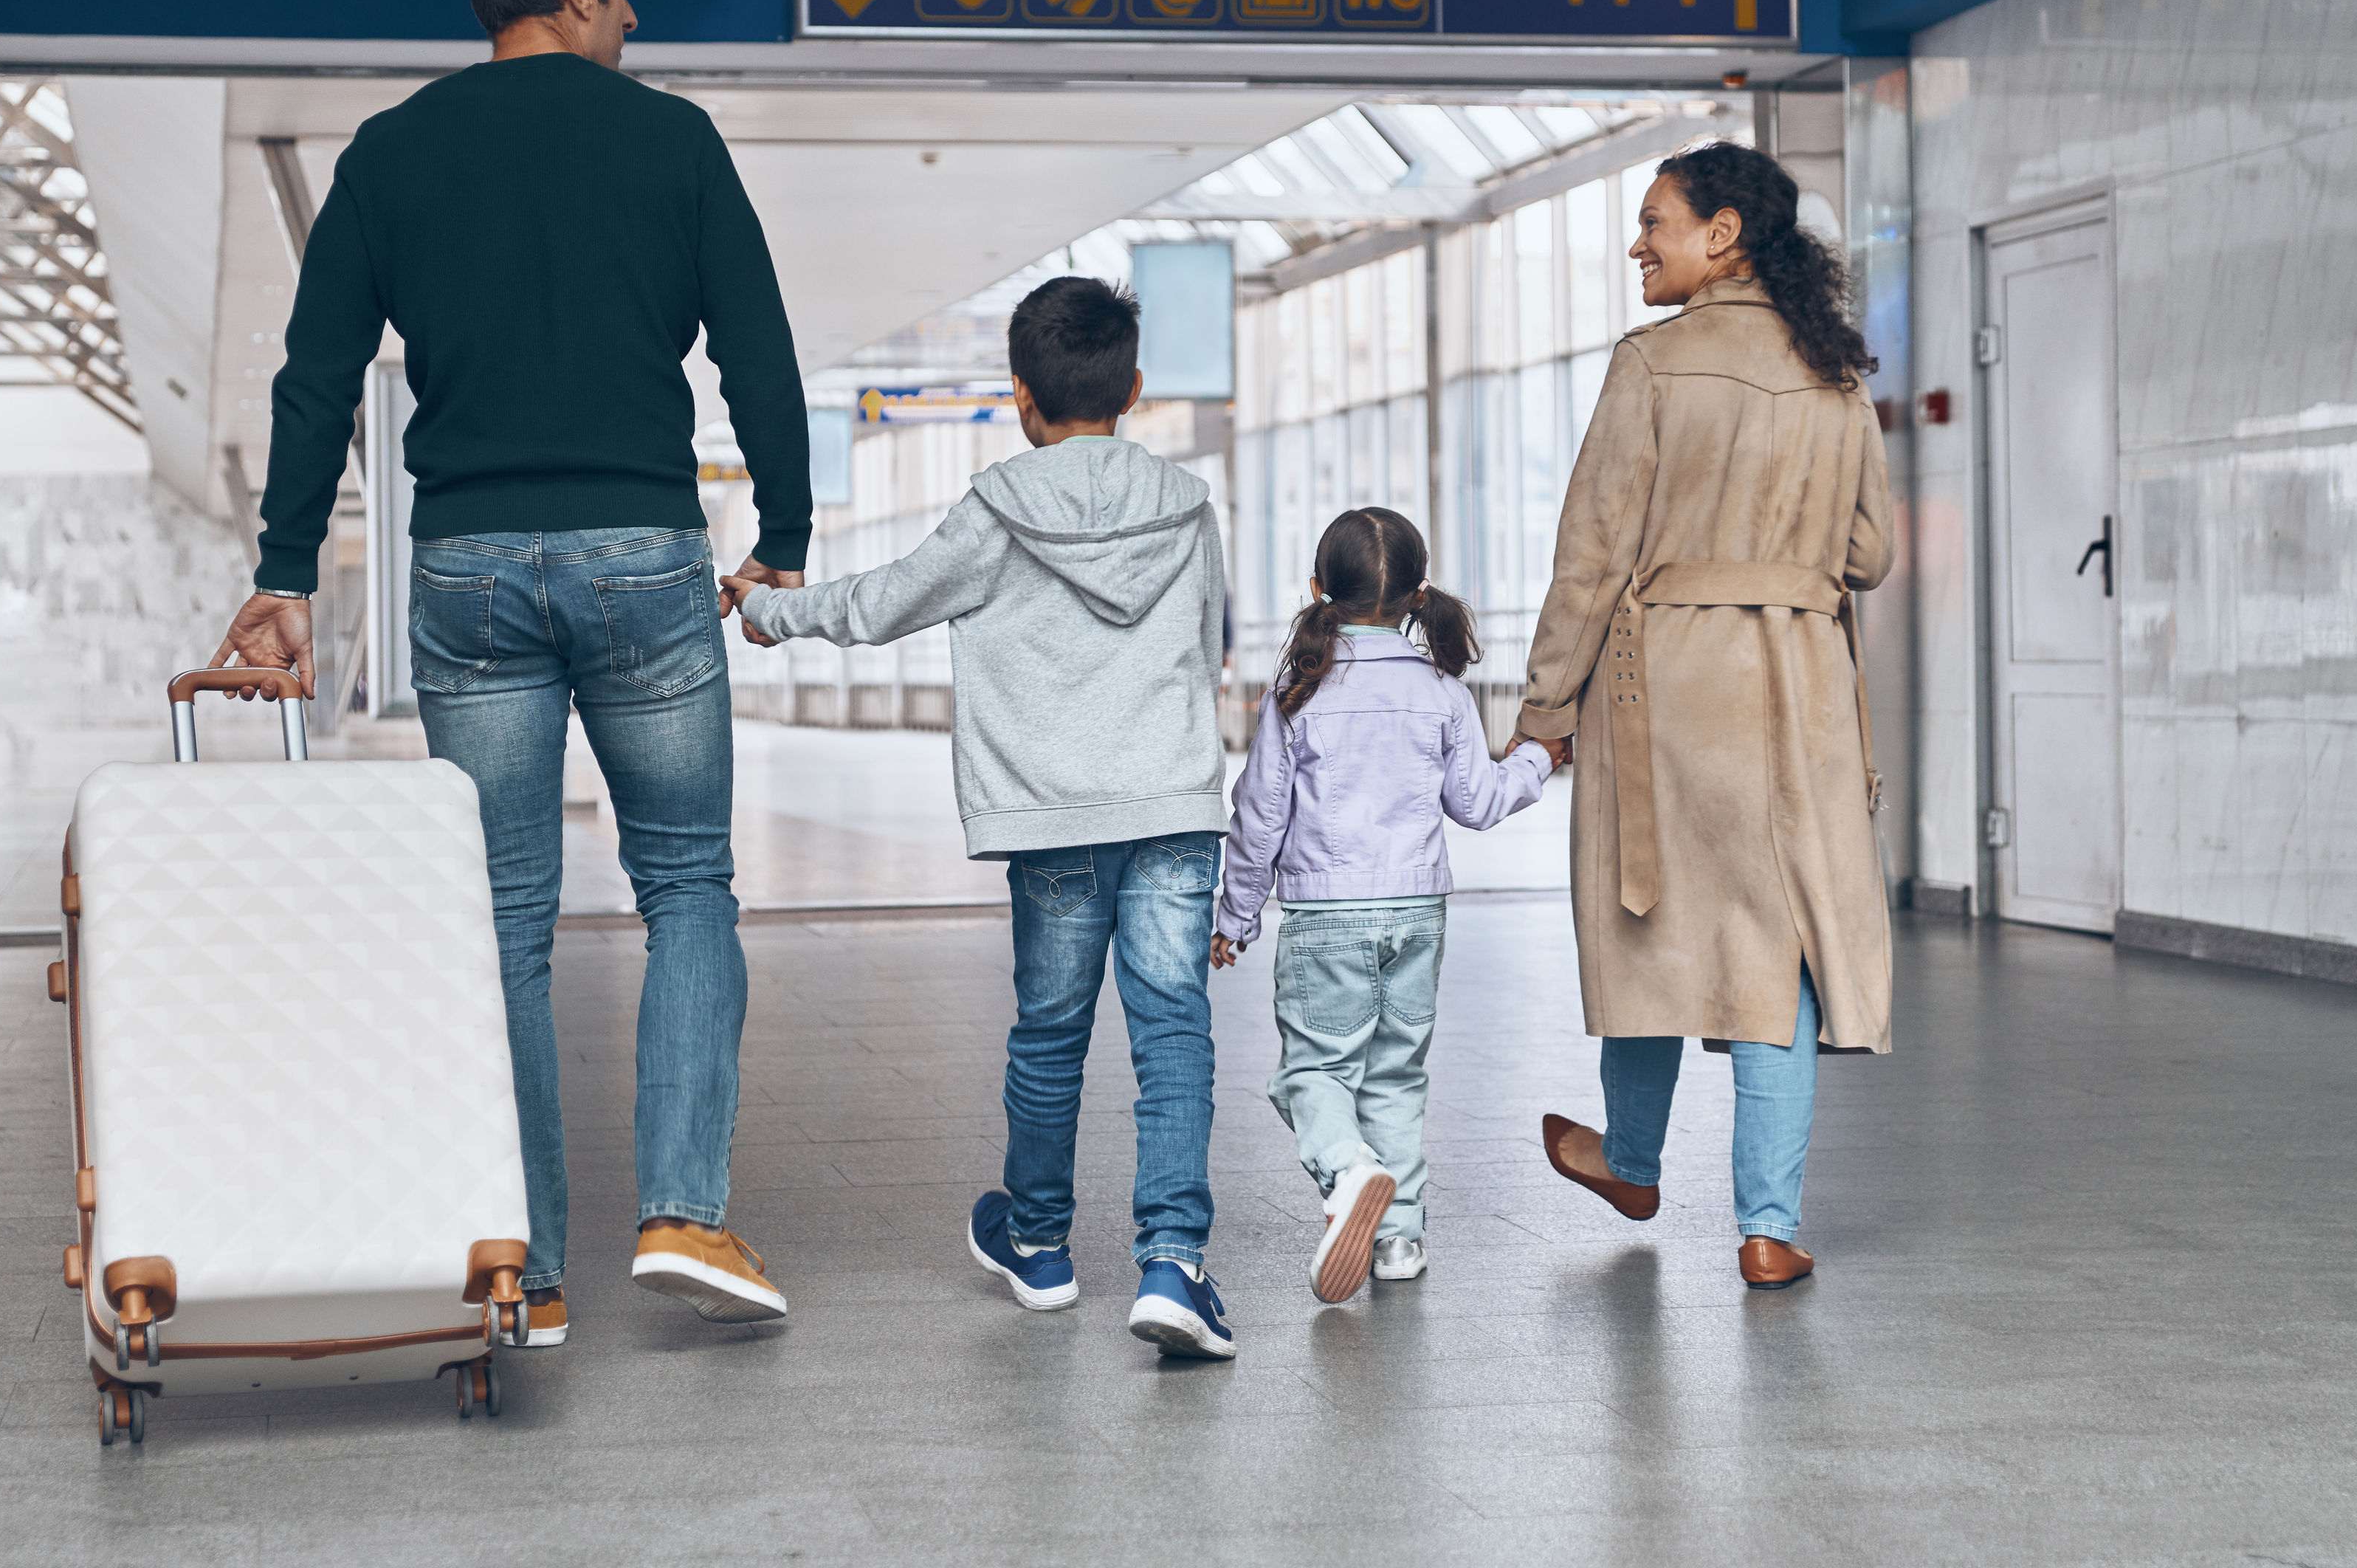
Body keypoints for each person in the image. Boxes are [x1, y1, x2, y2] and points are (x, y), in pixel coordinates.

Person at [209, 0, 814, 1342]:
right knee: (687, 884)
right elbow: (755, 343)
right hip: (643, 553)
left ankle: (526, 1271)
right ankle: (682, 1211)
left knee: (502, 924)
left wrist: (285, 570)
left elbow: (318, 372)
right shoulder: (673, 142)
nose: (638, 22)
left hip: (469, 562)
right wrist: (784, 525)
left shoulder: (393, 151)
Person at [725, 278, 1238, 1360]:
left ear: (1020, 397)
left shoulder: (998, 508)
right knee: (1174, 1033)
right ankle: (1174, 1265)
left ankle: (1042, 1246)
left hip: (1051, 816)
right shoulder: (1189, 507)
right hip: (1172, 805)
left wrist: (768, 610)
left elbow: (886, 601)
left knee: (1051, 1033)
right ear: (1134, 388)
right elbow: (1211, 641)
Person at [1510, 140, 1896, 1291]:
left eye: (1656, 223)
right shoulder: (1837, 375)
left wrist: (1544, 710)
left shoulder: (1653, 366)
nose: (1640, 244)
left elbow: (1591, 557)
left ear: (1723, 233)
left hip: (1672, 684)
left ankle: (1633, 1159)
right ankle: (1768, 1228)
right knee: (1776, 954)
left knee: (1652, 915)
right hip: (1805, 687)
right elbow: (1869, 555)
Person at [1211, 509, 1561, 1304]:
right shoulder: (1441, 690)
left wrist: (1236, 916)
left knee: (1312, 1073)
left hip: (1327, 916)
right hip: (1418, 915)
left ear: (1316, 590)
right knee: (1396, 1076)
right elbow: (1477, 801)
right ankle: (1400, 1235)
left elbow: (1260, 811)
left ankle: (1348, 1167)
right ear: (1417, 595)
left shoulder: (1299, 688)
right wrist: (1538, 758)